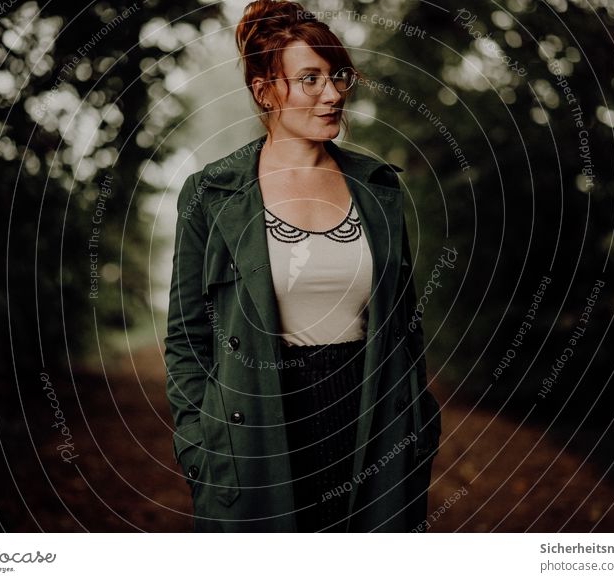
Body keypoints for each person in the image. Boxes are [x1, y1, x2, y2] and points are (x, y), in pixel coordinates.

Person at [164, 0, 441, 532]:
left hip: (371, 419)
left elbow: (405, 324)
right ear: (265, 90)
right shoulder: (211, 195)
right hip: (259, 427)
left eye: (337, 75)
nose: (333, 93)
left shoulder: (378, 188)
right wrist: (202, 450)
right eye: (310, 79)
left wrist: (416, 426)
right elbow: (186, 338)